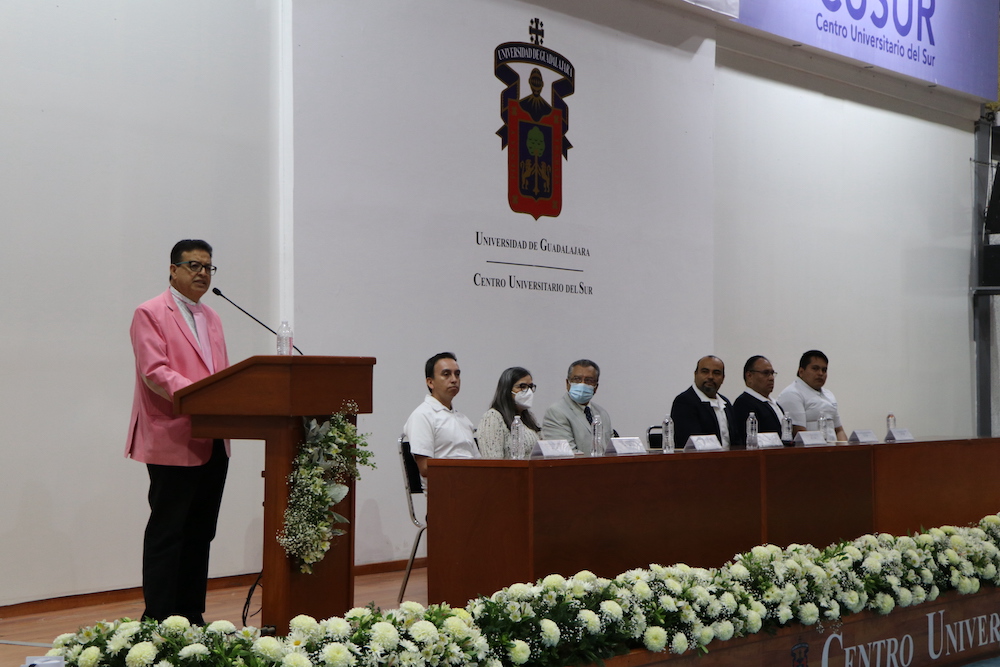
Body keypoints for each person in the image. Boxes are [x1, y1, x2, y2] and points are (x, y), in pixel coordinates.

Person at [125, 239, 230, 625]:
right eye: (194, 265)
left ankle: (190, 614)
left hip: (214, 437)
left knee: (201, 531)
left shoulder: (212, 317)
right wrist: (203, 395)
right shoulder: (150, 312)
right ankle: (157, 617)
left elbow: (222, 373)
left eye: (208, 267)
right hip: (172, 436)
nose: (202, 273)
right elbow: (154, 372)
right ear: (173, 270)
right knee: (168, 530)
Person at [404, 352, 479, 478]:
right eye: (446, 374)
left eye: (457, 374)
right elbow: (425, 468)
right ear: (430, 382)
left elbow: (479, 462)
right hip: (444, 486)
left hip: (471, 483)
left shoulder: (463, 419)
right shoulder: (422, 415)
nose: (454, 379)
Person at [541, 359, 613, 454]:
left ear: (596, 387)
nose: (582, 384)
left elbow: (611, 449)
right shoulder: (556, 412)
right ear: (567, 383)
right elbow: (566, 453)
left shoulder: (602, 413)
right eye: (577, 379)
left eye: (589, 380)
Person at [776, 350, 847, 441]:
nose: (821, 373)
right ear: (801, 372)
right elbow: (800, 434)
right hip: (812, 448)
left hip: (832, 448)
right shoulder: (792, 394)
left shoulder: (829, 395)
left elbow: (839, 430)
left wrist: (844, 447)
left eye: (824, 370)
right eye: (815, 368)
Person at [670, 355, 736, 449]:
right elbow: (691, 443)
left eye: (716, 373)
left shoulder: (726, 403)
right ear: (695, 374)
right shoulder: (684, 402)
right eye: (705, 372)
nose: (710, 377)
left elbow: (736, 440)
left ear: (723, 378)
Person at [477, 367, 541, 458]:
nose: (529, 392)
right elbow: (493, 461)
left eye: (530, 387)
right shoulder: (492, 417)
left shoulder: (528, 418)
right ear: (507, 389)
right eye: (522, 387)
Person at [732, 355, 787, 447]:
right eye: (766, 373)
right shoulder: (743, 404)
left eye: (772, 373)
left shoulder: (773, 403)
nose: (771, 378)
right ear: (749, 376)